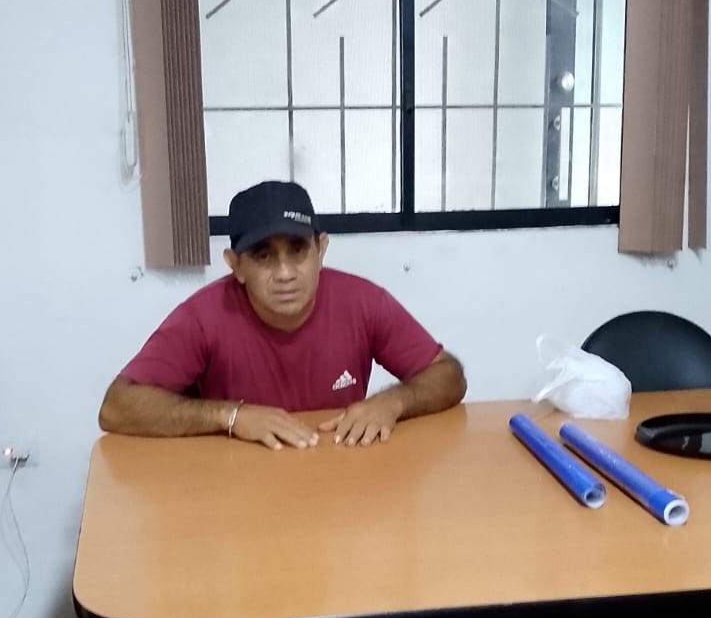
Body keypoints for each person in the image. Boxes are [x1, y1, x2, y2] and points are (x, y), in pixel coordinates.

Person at [99, 180, 466, 450]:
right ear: (235, 265)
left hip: (336, 479)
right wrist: (231, 417)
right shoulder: (203, 317)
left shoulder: (364, 302)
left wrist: (393, 402)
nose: (285, 273)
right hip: (230, 488)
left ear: (321, 249)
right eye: (263, 255)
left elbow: (447, 374)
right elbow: (116, 407)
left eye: (298, 250)